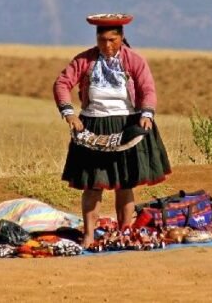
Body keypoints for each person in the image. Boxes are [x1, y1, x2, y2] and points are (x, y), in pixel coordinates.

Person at [53, 14, 171, 248]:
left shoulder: (134, 60)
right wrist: (69, 113)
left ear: (122, 38)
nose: (107, 45)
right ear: (96, 38)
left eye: (112, 40)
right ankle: (88, 234)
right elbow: (62, 84)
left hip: (126, 124)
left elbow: (147, 88)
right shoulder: (84, 60)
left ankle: (124, 233)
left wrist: (146, 114)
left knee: (125, 183)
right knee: (92, 185)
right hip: (92, 125)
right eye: (102, 40)